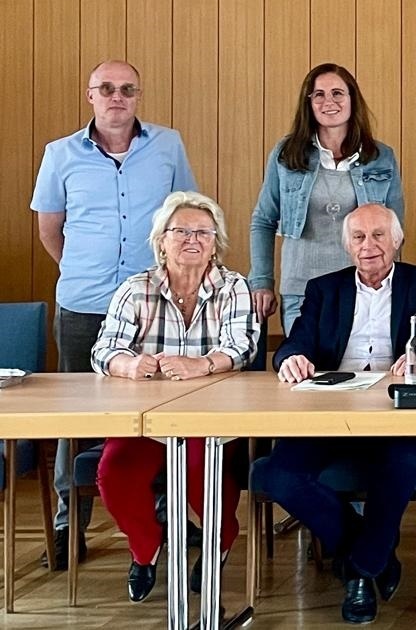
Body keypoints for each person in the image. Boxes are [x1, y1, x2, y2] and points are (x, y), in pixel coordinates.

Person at [31, 59, 197, 570]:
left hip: (155, 305)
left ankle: (167, 517)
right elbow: (49, 230)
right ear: (90, 96)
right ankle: (68, 527)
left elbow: (186, 213)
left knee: (161, 412)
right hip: (83, 304)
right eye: (107, 89)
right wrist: (87, 274)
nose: (117, 97)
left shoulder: (167, 146)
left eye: (127, 89)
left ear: (138, 96)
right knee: (74, 417)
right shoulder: (59, 155)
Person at [254, 204, 416, 624]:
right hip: (328, 410)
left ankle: (359, 573)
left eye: (379, 235)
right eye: (359, 237)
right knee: (275, 474)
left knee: (404, 462)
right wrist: (289, 359)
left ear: (397, 240)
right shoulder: (324, 289)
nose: (369, 246)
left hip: (397, 412)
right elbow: (296, 341)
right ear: (346, 245)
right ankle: (373, 553)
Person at [90, 192, 257, 603]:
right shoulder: (136, 289)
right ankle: (145, 549)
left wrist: (202, 364)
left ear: (215, 242)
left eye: (203, 232)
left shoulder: (234, 287)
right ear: (160, 241)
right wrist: (127, 365)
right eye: (180, 231)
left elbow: (243, 347)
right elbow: (103, 349)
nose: (192, 239)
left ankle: (219, 544)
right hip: (144, 417)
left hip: (212, 417)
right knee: (114, 473)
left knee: (205, 474)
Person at [250, 62, 404, 340]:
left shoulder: (381, 156)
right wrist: (261, 280)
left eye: (337, 93)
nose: (328, 101)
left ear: (351, 99)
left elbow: (395, 231)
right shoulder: (286, 154)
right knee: (305, 369)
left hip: (362, 286)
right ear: (308, 103)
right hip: (301, 287)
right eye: (318, 94)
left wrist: (393, 287)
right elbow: (263, 220)